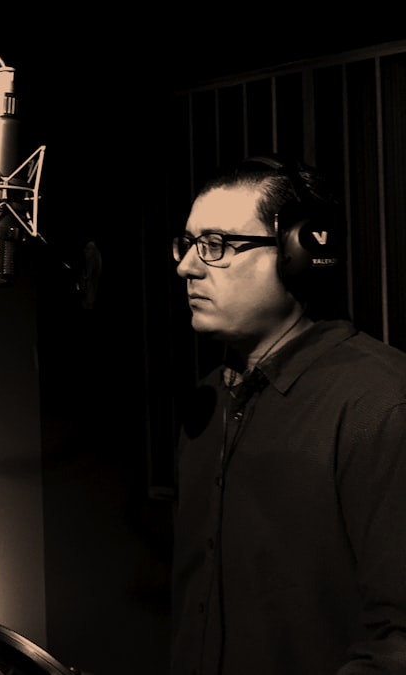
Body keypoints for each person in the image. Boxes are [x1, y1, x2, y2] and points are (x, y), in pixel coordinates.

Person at [168, 154, 406, 673]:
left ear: (301, 251)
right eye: (186, 244)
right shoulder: (208, 402)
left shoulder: (381, 404)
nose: (186, 266)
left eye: (215, 246)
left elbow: (398, 642)